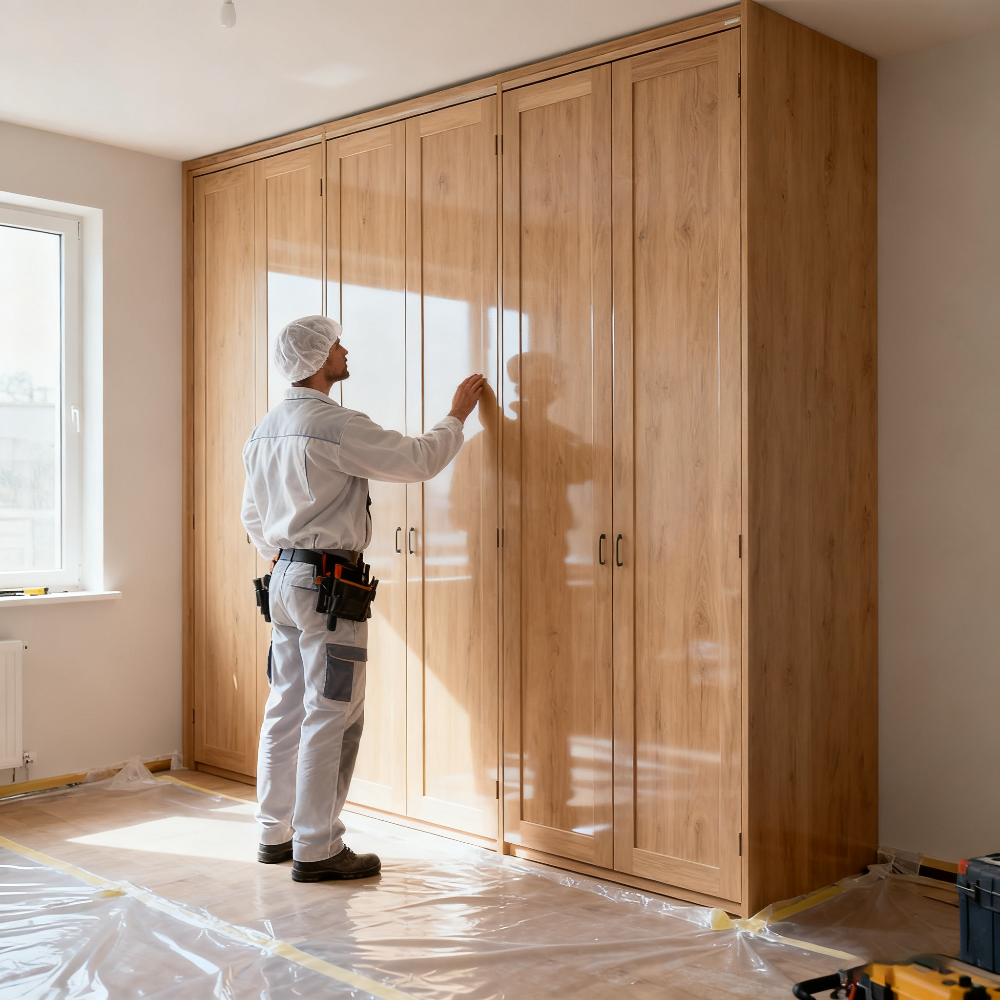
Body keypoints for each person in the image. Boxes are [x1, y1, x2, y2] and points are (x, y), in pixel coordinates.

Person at [241, 315, 485, 882]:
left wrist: (280, 556)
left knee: (285, 710)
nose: (345, 350)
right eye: (336, 345)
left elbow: (253, 515)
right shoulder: (334, 427)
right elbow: (419, 461)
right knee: (333, 713)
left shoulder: (264, 430)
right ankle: (319, 847)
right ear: (318, 360)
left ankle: (274, 835)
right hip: (328, 586)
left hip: (283, 583)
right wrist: (456, 416)